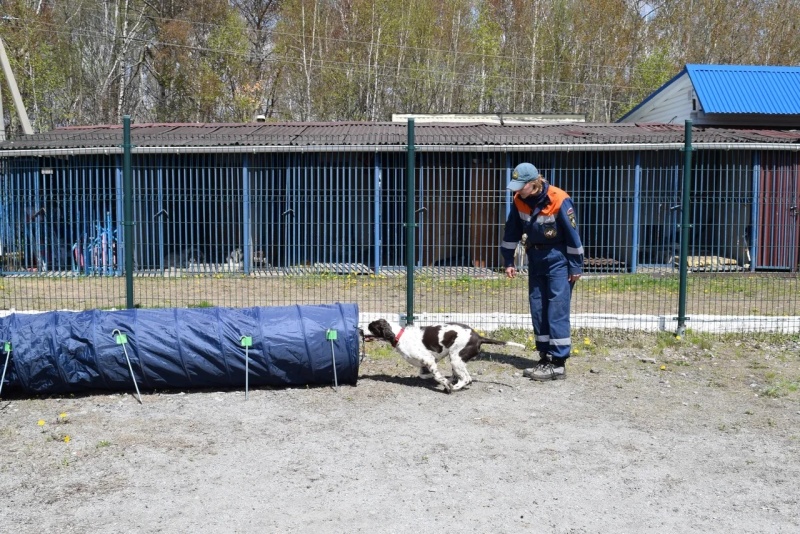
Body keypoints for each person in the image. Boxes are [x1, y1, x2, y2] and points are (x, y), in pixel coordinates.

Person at [500, 162, 584, 381]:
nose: (517, 191)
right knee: (538, 308)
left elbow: (573, 236)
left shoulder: (558, 198)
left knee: (556, 309)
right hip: (535, 258)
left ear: (533, 183)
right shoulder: (519, 200)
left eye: (520, 186)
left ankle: (558, 363)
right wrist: (508, 260)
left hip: (559, 259)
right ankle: (545, 357)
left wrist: (575, 265)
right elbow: (512, 231)